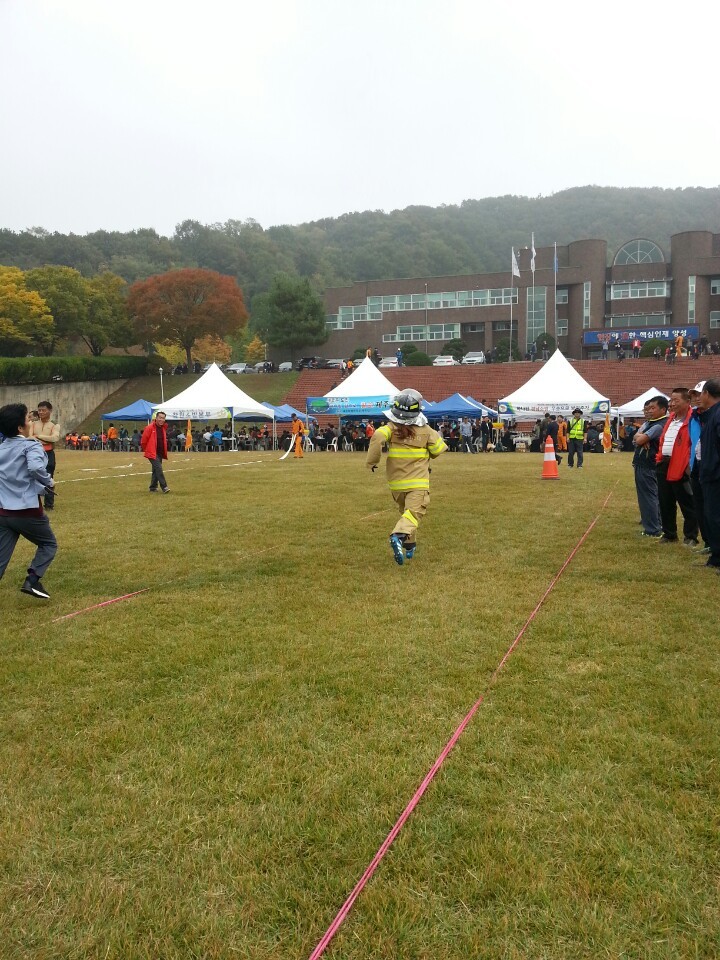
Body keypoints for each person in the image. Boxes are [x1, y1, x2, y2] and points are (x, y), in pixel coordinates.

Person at [366, 389, 447, 565]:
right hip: (417, 483)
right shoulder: (425, 430)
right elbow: (438, 450)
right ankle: (398, 535)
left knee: (407, 514)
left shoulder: (390, 428)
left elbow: (378, 436)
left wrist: (372, 461)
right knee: (414, 513)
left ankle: (410, 546)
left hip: (396, 484)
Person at [0, 403, 58, 599]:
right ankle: (32, 580)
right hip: (27, 510)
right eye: (27, 419)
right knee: (49, 544)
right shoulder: (30, 445)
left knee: (1, 557)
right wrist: (48, 481)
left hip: (3, 512)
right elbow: (35, 468)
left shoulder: (1, 448)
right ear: (19, 427)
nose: (30, 421)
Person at [654, 387, 698, 545]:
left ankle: (691, 536)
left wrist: (687, 464)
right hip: (664, 464)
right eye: (671, 400)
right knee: (665, 501)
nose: (671, 404)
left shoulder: (693, 420)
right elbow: (663, 440)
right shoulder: (671, 419)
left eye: (676, 400)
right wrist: (659, 458)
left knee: (687, 502)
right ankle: (669, 533)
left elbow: (692, 444)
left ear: (687, 402)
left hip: (681, 466)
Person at [632, 396, 668, 539]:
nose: (650, 411)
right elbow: (636, 437)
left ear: (663, 409)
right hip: (645, 463)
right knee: (651, 495)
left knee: (648, 496)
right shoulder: (651, 423)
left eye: (653, 408)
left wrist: (641, 438)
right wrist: (641, 437)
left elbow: (639, 439)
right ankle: (656, 524)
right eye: (648, 408)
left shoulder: (658, 425)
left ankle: (652, 529)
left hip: (647, 465)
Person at [696, 379, 720, 571]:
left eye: (700, 394)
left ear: (706, 393)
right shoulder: (711, 414)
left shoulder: (717, 415)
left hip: (715, 474)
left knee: (714, 516)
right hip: (710, 473)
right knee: (711, 516)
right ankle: (715, 556)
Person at [29, 400, 60, 510]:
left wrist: (38, 436)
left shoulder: (54, 425)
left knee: (49, 477)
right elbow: (29, 437)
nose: (41, 412)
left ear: (50, 411)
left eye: (43, 410)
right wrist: (45, 439)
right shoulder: (33, 424)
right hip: (35, 453)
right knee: (33, 477)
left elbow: (55, 438)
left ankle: (49, 505)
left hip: (48, 453)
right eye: (39, 410)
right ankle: (34, 504)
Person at [140, 410, 170, 493]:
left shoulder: (163, 428)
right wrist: (148, 450)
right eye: (160, 418)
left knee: (155, 470)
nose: (161, 420)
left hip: (160, 452)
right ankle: (164, 487)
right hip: (152, 452)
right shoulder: (149, 428)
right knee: (159, 468)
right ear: (156, 418)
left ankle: (153, 487)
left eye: (163, 418)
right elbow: (143, 441)